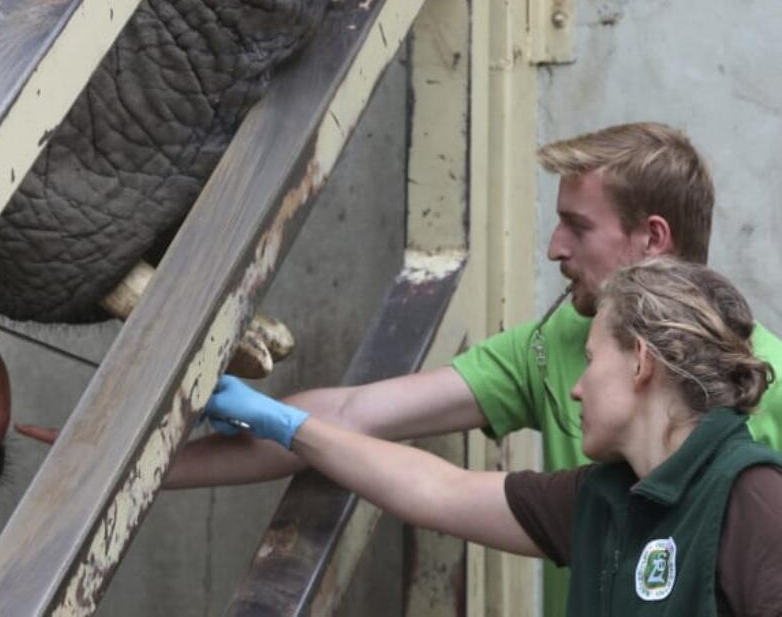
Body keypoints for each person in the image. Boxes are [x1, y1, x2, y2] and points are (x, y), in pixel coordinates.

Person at [163, 122, 782, 615]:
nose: (554, 248)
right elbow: (426, 478)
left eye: (578, 225)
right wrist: (161, 460)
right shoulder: (593, 496)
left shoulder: (753, 496)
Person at [202, 258, 782, 616]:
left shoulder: (752, 500)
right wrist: (291, 427)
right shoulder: (604, 497)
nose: (576, 389)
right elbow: (437, 489)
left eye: (590, 361)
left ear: (640, 365)